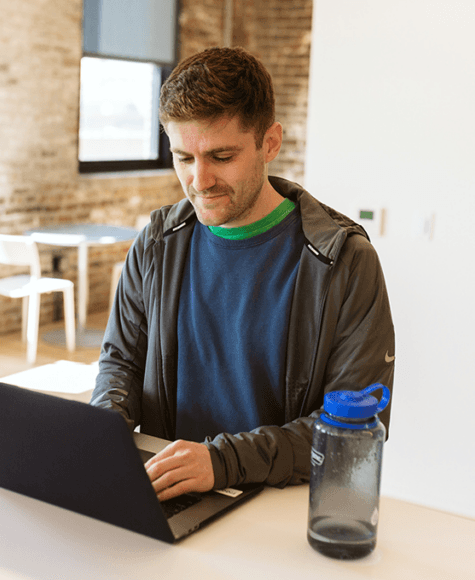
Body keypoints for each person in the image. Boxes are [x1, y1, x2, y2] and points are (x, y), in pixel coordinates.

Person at [90, 47, 395, 502]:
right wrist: (102, 430)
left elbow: (353, 427)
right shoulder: (156, 242)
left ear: (269, 143)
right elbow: (121, 364)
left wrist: (221, 463)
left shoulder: (345, 262)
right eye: (184, 158)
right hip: (169, 496)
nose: (200, 180)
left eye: (221, 156)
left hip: (276, 504)